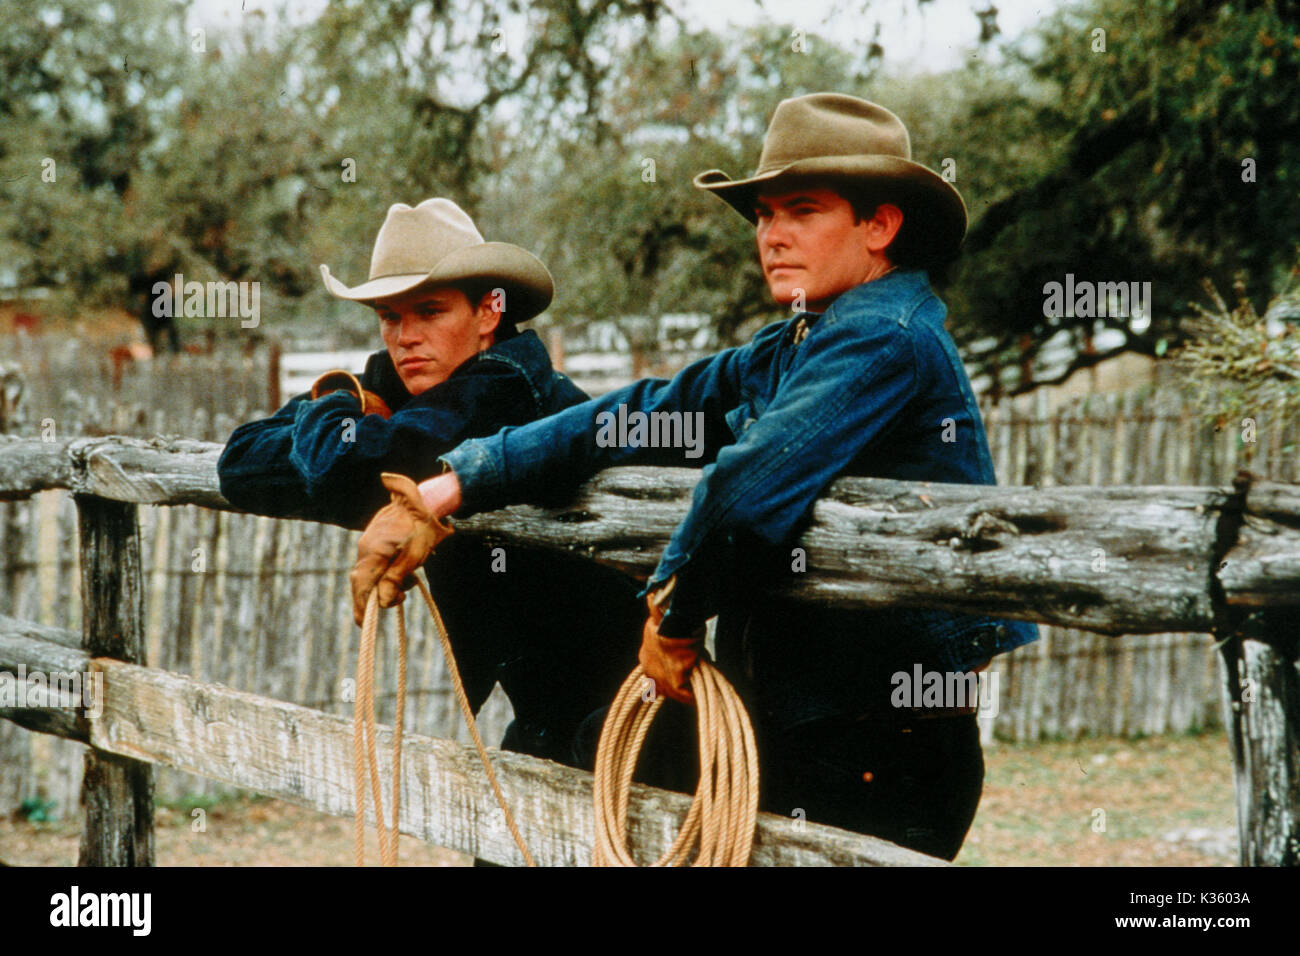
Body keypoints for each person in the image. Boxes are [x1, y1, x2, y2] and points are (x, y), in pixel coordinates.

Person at [349, 96, 1040, 860]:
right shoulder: (794, 346)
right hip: (814, 728)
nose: (772, 236)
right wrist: (449, 487)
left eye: (801, 211)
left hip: (882, 744)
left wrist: (673, 623)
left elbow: (745, 489)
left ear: (879, 227)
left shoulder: (882, 341)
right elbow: (637, 410)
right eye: (763, 216)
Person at [217, 198, 643, 768]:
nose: (405, 337)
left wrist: (337, 403)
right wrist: (349, 401)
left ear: (489, 313)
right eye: (390, 317)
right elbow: (239, 464)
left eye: (430, 311)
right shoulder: (413, 382)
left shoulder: (505, 389)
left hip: (629, 720)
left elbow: (348, 469)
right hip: (552, 723)